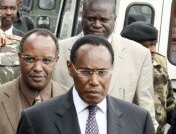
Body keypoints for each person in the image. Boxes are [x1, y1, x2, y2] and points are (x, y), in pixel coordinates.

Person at [52, 0, 157, 127]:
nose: (96, 25)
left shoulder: (139, 55)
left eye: (103, 20)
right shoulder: (58, 51)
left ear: (115, 19)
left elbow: (146, 114)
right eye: (90, 18)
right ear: (81, 17)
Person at [17, 35, 155, 134]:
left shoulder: (139, 119)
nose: (94, 81)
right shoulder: (36, 119)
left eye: (102, 73)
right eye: (85, 72)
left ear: (112, 68)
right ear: (70, 68)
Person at [0, 28, 69, 134]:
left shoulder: (72, 100)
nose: (38, 68)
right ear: (19, 58)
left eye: (47, 60)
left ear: (56, 60)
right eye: (30, 59)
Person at [121, 21, 175, 134]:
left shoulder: (159, 63)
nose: (152, 50)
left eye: (154, 44)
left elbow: (168, 103)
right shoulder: (119, 67)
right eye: (146, 46)